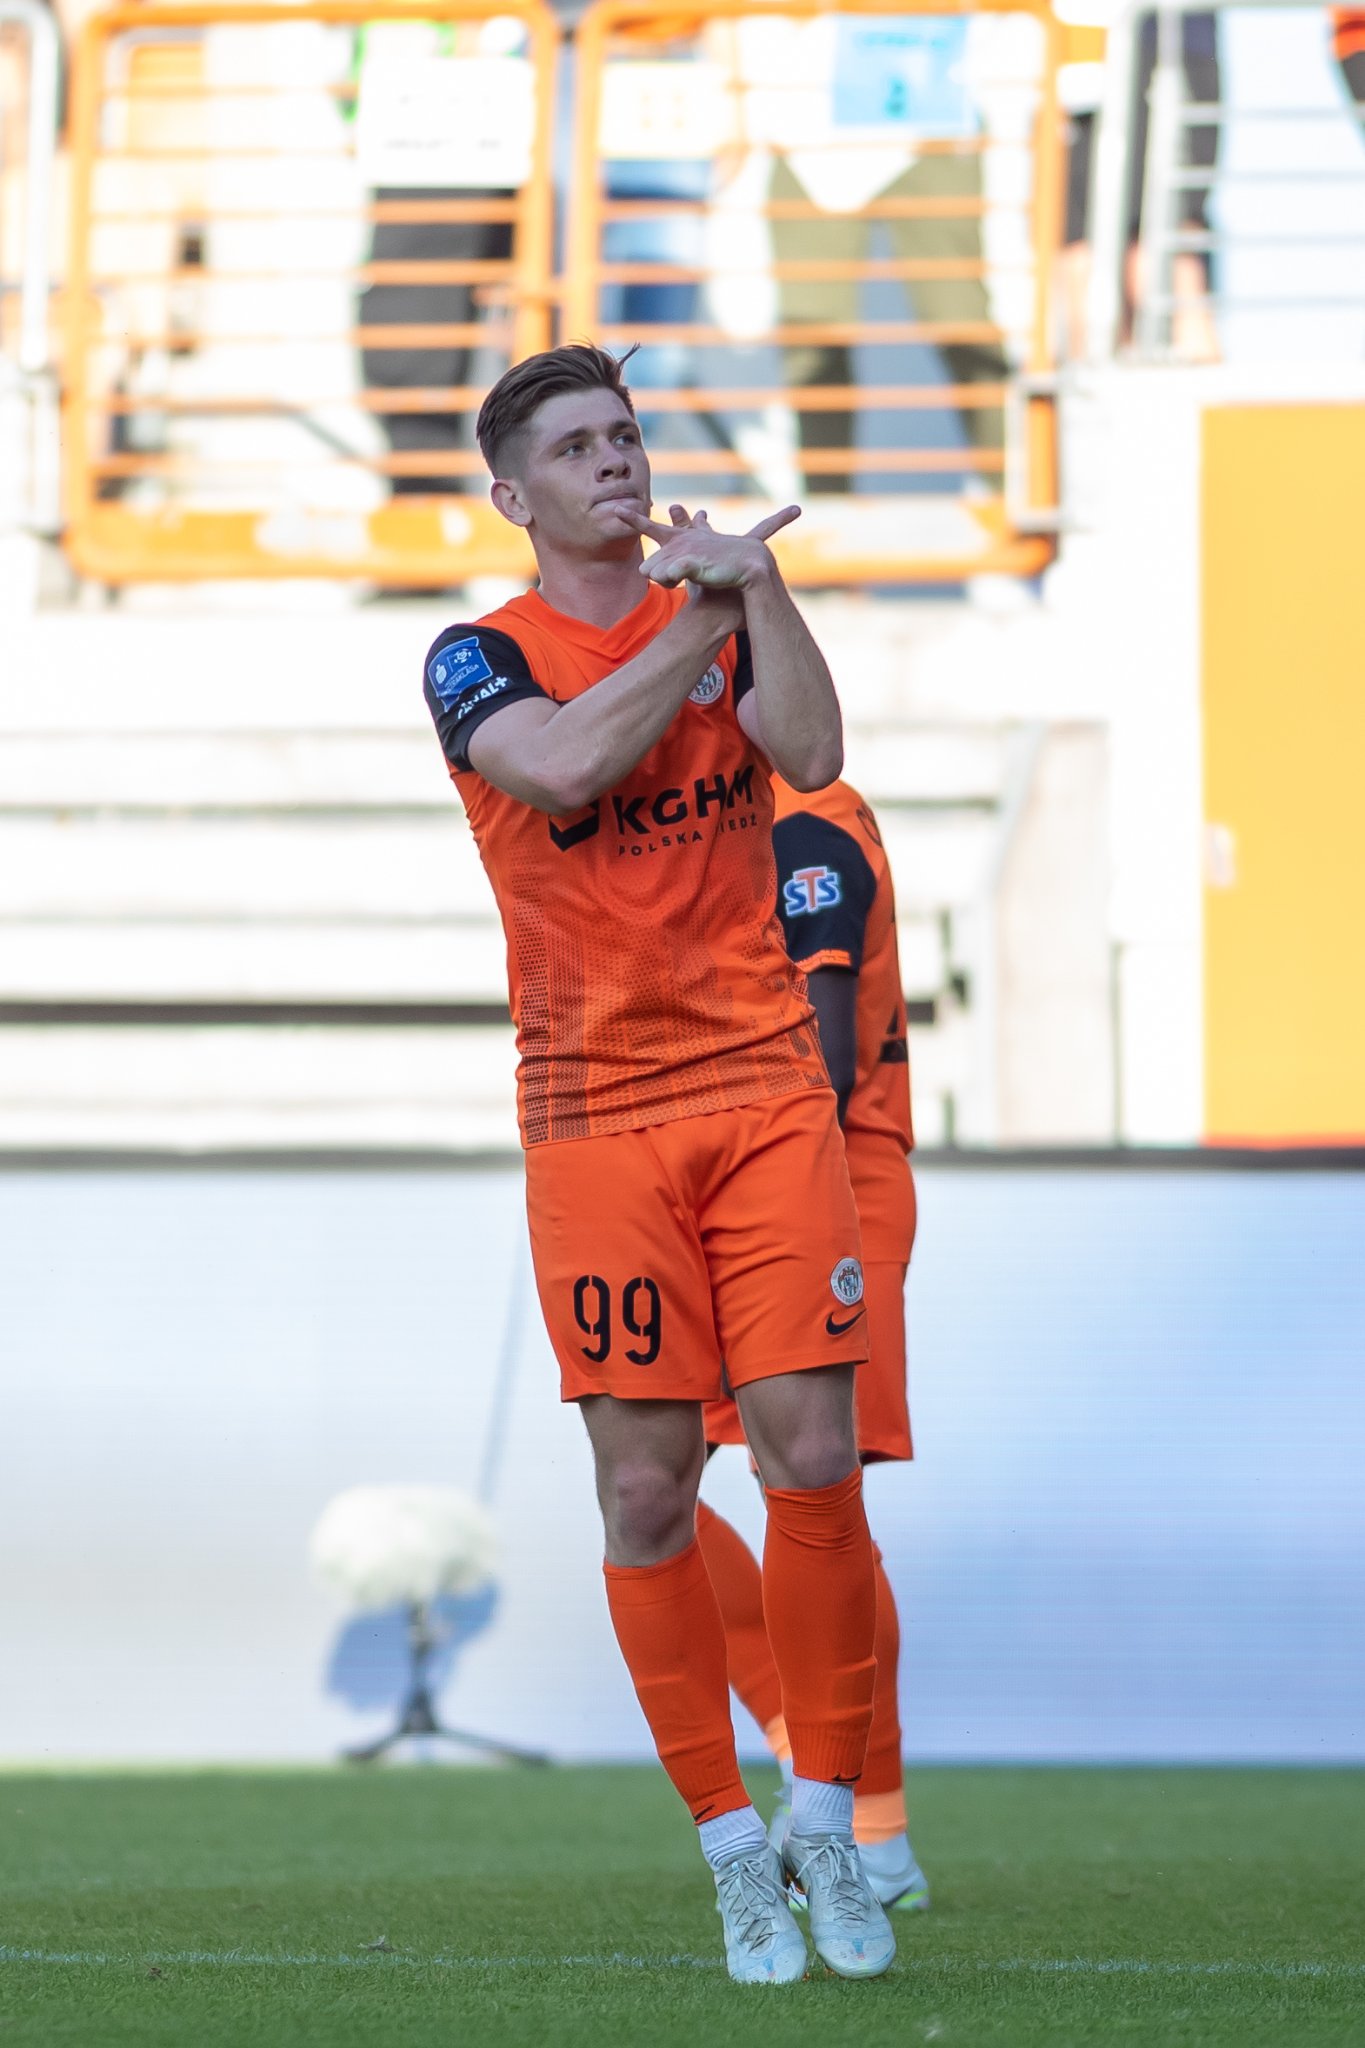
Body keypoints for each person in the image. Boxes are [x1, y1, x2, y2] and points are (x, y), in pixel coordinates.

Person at [421, 342, 896, 1986]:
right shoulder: (478, 656)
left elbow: (812, 754)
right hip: (593, 1109)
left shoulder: (725, 606)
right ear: (513, 495)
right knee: (644, 1486)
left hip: (761, 1085)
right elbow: (561, 768)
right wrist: (699, 617)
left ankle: (825, 1817)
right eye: (575, 445)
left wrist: (759, 590)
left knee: (811, 1451)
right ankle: (728, 1845)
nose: (614, 460)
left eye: (625, 434)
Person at [698, 774, 927, 1913]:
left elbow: (823, 1064)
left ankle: (867, 1819)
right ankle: (812, 1749)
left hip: (814, 1183)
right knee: (651, 1484)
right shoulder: (763, 807)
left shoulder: (798, 822)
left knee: (818, 1502)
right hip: (745, 1180)